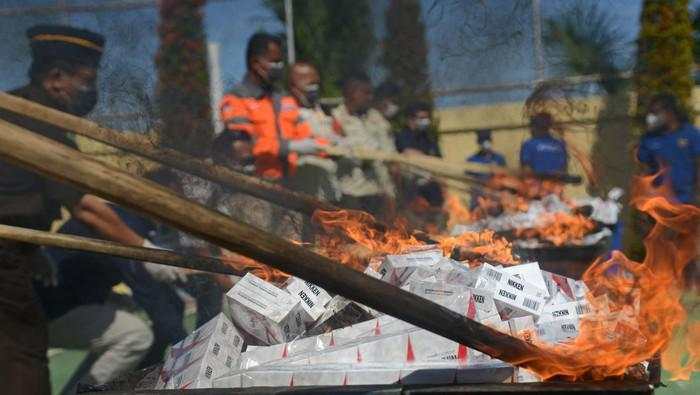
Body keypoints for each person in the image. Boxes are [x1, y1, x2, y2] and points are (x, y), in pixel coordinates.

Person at [0, 25, 157, 394]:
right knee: (24, 360)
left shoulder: (15, 113)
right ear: (56, 78)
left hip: (16, 252)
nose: (92, 92)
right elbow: (87, 209)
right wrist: (147, 251)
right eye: (86, 81)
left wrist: (33, 250)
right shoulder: (40, 127)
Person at [218, 33, 326, 182]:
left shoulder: (285, 99)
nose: (280, 67)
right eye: (274, 62)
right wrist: (288, 147)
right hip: (255, 186)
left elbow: (305, 136)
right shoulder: (236, 99)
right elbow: (242, 147)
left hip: (290, 185)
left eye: (281, 62)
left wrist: (331, 147)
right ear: (256, 63)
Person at [332, 73, 396, 218]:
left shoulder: (375, 117)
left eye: (371, 93)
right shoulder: (336, 118)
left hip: (379, 191)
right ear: (351, 92)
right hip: (351, 192)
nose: (370, 97)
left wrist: (390, 192)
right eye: (365, 93)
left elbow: (389, 154)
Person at [287, 61, 341, 203]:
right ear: (294, 87)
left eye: (316, 83)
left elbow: (338, 136)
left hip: (328, 188)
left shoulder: (323, 111)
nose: (315, 88)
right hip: (303, 192)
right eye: (309, 84)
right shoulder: (287, 113)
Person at [638, 93, 700, 204]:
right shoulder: (648, 139)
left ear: (669, 113)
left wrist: (697, 195)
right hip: (659, 201)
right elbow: (643, 168)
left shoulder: (691, 134)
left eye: (655, 113)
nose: (651, 118)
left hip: (688, 201)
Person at [394, 102, 444, 223]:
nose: (425, 121)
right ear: (411, 119)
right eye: (421, 118)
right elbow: (408, 154)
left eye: (426, 118)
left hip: (431, 187)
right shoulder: (402, 137)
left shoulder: (428, 139)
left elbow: (438, 160)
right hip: (412, 189)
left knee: (437, 220)